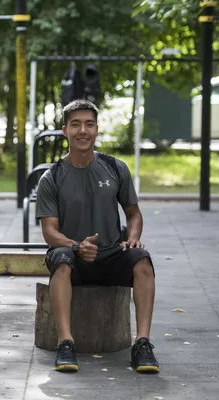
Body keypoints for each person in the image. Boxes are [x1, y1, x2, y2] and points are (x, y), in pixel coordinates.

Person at [35, 99, 159, 373]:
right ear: (65, 130)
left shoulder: (116, 167)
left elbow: (134, 214)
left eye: (89, 124)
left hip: (111, 255)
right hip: (72, 258)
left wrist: (133, 237)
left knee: (142, 260)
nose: (83, 131)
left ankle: (142, 344)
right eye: (76, 124)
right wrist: (76, 245)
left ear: (96, 129)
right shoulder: (52, 177)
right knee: (61, 260)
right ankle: (65, 343)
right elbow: (49, 232)